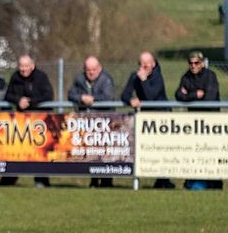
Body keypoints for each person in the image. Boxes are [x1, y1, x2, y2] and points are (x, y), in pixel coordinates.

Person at [121, 51, 174, 189]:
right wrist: (130, 100)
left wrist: (144, 80)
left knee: (162, 150)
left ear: (153, 64)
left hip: (162, 118)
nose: (144, 66)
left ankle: (164, 180)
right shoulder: (134, 76)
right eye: (141, 63)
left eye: (147, 63)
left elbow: (151, 97)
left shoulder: (158, 77)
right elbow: (124, 95)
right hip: (146, 121)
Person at [4, 55, 54, 187]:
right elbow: (8, 95)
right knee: (15, 151)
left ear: (32, 65)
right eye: (21, 66)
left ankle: (41, 181)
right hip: (20, 123)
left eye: (26, 66)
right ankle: (8, 180)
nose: (23, 69)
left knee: (39, 152)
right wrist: (18, 100)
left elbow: (48, 95)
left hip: (39, 123)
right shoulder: (15, 77)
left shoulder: (41, 77)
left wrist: (30, 102)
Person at [175, 51, 222, 190]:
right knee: (193, 154)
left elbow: (209, 99)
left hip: (210, 124)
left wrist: (188, 95)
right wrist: (195, 94)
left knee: (211, 154)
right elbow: (178, 95)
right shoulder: (186, 77)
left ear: (202, 63)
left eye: (196, 63)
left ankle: (215, 184)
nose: (193, 66)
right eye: (191, 63)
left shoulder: (210, 76)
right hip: (193, 124)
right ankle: (192, 183)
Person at [67, 56, 116, 187]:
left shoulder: (106, 79)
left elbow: (108, 97)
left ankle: (107, 181)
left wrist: (93, 99)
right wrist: (81, 98)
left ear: (99, 68)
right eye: (88, 70)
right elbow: (70, 94)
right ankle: (94, 180)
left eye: (94, 69)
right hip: (87, 124)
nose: (91, 72)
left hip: (104, 123)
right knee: (91, 153)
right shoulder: (79, 79)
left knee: (105, 153)